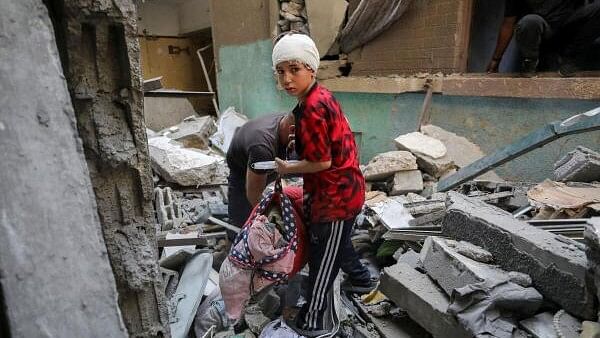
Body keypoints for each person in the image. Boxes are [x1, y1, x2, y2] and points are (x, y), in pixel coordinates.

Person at [272, 33, 375, 336]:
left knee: (322, 265)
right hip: (342, 191)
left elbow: (322, 163)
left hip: (335, 200)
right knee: (337, 247)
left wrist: (287, 167)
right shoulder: (317, 98)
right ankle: (363, 280)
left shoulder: (313, 107)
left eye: (295, 69)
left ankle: (315, 320)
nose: (287, 79)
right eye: (281, 72)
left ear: (311, 69)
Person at [487, 0, 600, 77]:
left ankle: (570, 59)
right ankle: (530, 62)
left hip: (570, 30)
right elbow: (508, 24)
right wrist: (496, 60)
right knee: (529, 21)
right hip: (543, 32)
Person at [226, 112, 295, 233]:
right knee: (245, 219)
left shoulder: (289, 121)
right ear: (292, 130)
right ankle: (236, 241)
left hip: (264, 152)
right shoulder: (262, 148)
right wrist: (268, 220)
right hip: (240, 163)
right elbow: (254, 194)